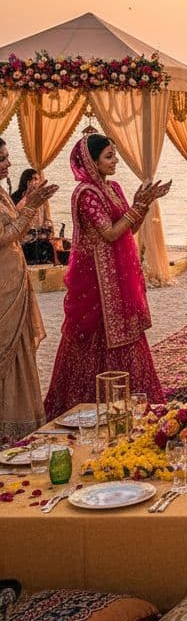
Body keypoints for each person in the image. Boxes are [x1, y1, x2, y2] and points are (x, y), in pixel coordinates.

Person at [43, 134, 171, 419]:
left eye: (114, 155)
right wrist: (137, 206)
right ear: (91, 160)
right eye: (109, 157)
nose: (115, 161)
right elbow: (109, 232)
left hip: (117, 274)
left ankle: (133, 400)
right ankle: (84, 403)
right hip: (95, 279)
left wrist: (144, 204)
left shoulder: (112, 187)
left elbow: (128, 230)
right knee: (91, 333)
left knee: (125, 331)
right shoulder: (85, 194)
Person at [0, 139, 57, 443]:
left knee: (20, 349)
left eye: (7, 158)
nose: (8, 164)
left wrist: (31, 204)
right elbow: (5, 235)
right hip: (2, 285)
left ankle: (21, 419)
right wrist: (31, 206)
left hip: (14, 278)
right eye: (1, 159)